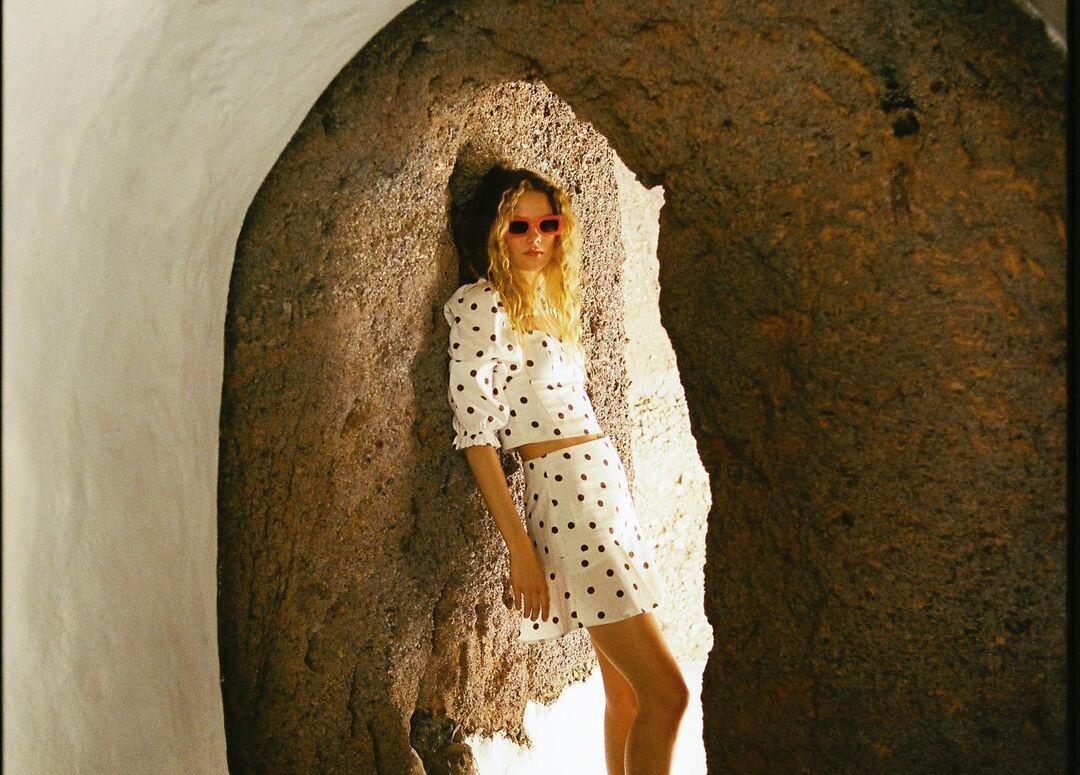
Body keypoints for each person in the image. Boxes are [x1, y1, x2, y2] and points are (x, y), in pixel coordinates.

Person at [442, 165, 689, 775]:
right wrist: (519, 550)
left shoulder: (550, 304)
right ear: (494, 232)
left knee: (627, 695)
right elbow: (476, 436)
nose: (536, 238)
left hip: (604, 490)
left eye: (547, 224)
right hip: (568, 498)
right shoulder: (480, 305)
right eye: (518, 226)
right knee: (668, 695)